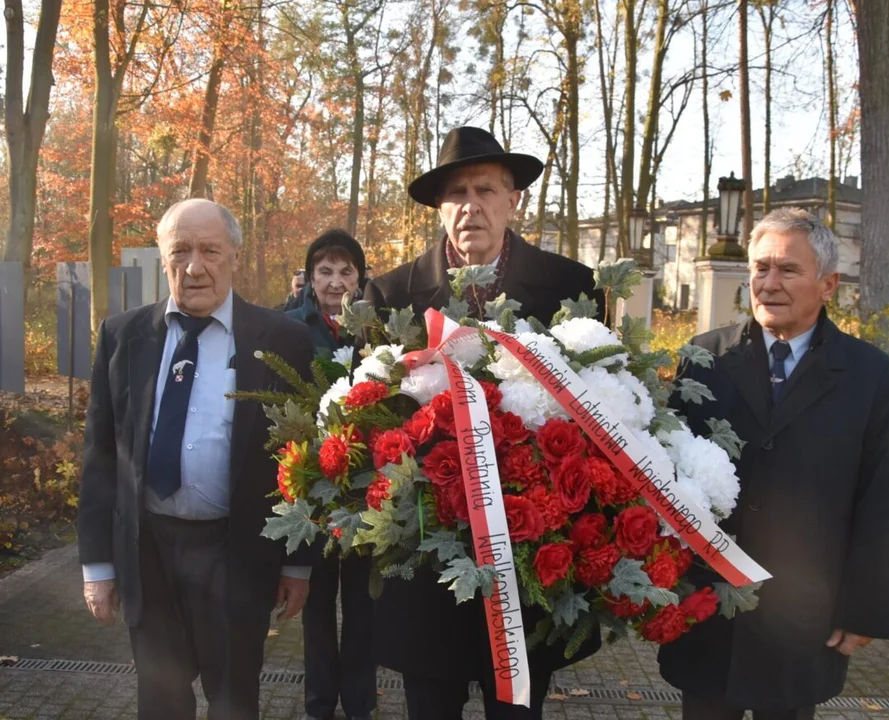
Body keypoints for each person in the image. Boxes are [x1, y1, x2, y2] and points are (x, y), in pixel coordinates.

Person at [363, 125, 605, 720]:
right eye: (458, 193)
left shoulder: (571, 287)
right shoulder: (392, 294)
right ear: (439, 207)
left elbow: (595, 418)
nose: (471, 205)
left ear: (513, 198)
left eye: (487, 190)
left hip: (530, 562)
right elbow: (369, 424)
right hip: (427, 569)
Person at [657, 207, 889, 720]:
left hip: (801, 617)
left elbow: (881, 500)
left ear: (829, 283)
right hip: (707, 611)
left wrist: (863, 611)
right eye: (760, 268)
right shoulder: (703, 357)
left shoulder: (870, 374)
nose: (769, 284)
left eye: (788, 270)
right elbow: (666, 476)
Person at [77, 199, 316, 720]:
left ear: (234, 253)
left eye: (209, 250)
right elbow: (99, 455)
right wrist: (97, 564)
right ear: (162, 258)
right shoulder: (122, 336)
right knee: (160, 702)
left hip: (236, 553)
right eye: (179, 251)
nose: (194, 266)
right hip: (149, 553)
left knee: (233, 701)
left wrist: (298, 562)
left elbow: (304, 461)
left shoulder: (284, 340)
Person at [286, 229, 377, 720]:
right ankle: (319, 704)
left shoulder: (375, 332)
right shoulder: (289, 327)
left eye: (346, 271)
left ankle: (361, 704)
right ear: (310, 277)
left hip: (367, 490)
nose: (336, 281)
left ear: (360, 278)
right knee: (316, 605)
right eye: (325, 271)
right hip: (313, 486)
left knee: (363, 607)